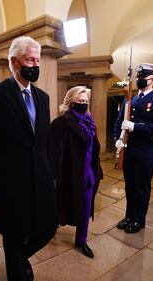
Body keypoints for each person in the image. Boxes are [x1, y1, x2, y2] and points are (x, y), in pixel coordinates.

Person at [0, 36, 57, 281]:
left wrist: (51, 174)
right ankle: (17, 270)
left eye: (38, 60)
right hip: (9, 185)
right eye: (30, 59)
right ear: (14, 62)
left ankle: (19, 259)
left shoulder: (43, 97)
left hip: (39, 180)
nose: (35, 65)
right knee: (14, 235)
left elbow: (44, 141)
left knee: (47, 229)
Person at [113, 63, 153, 233]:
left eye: (142, 78)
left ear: (151, 79)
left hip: (146, 152)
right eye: (138, 78)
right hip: (129, 150)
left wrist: (134, 127)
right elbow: (118, 122)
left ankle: (139, 220)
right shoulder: (131, 99)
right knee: (130, 186)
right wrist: (117, 138)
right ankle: (129, 216)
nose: (139, 80)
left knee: (141, 187)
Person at [49, 86, 103, 258]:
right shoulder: (61, 123)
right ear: (71, 101)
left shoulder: (90, 121)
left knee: (86, 207)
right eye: (80, 101)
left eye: (86, 101)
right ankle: (51, 227)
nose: (83, 104)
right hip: (69, 173)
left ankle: (81, 240)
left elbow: (93, 147)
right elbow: (54, 152)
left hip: (88, 173)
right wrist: (56, 175)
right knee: (61, 204)